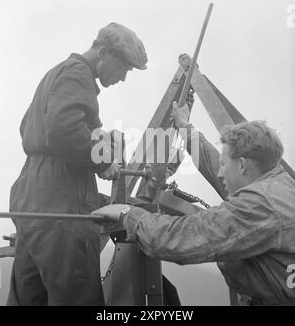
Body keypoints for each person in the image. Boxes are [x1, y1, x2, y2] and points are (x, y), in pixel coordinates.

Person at [94, 103, 295, 305]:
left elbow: (179, 238)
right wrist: (184, 127)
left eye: (224, 165)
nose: (219, 172)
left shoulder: (259, 206)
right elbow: (212, 161)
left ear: (242, 165)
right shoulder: (279, 185)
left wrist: (127, 213)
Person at [7, 22, 147, 306]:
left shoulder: (55, 74)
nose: (123, 78)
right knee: (77, 294)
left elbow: (29, 129)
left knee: (29, 296)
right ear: (103, 52)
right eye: (124, 68)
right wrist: (102, 160)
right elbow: (63, 130)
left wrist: (100, 141)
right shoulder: (78, 74)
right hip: (62, 199)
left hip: (31, 198)